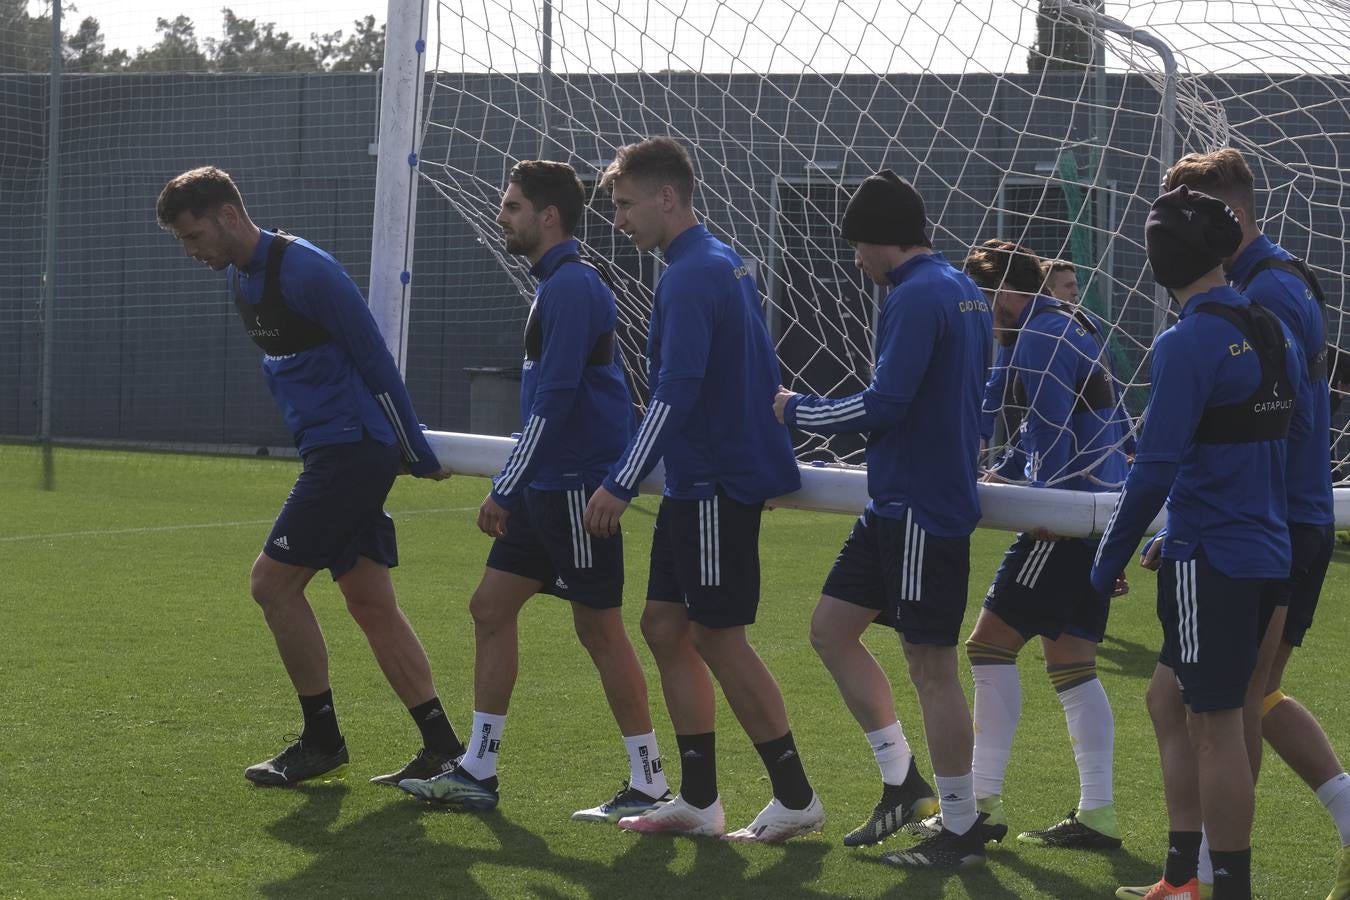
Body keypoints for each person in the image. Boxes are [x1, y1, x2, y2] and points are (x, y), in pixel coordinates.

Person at [156, 166, 465, 787]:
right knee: (370, 602)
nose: (190, 253)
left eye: (193, 237)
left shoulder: (307, 269)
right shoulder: (241, 280)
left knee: (271, 585)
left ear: (226, 216)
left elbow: (374, 358)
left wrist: (414, 449)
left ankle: (322, 740)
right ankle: (444, 748)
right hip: (331, 450)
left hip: (352, 453)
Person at [397, 160, 670, 820]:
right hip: (546, 488)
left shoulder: (574, 286)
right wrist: (521, 489)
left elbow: (556, 398)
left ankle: (651, 780)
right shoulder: (554, 285)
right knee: (490, 608)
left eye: (513, 206)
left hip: (576, 492)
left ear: (549, 216)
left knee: (600, 633)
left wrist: (505, 486)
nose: (502, 216)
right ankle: (479, 770)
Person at [581, 137, 823, 842]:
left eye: (625, 205)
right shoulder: (713, 260)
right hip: (697, 482)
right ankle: (699, 799)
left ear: (667, 197)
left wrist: (620, 481)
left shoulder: (693, 274)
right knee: (663, 626)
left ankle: (795, 795)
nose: (619, 220)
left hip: (714, 483)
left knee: (718, 637)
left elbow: (675, 392)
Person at [1132, 148, 1349, 900]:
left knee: (1228, 706)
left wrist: (1229, 513)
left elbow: (1279, 422)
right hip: (1254, 518)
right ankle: (1195, 872)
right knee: (1194, 699)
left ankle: (1218, 878)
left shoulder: (1269, 289)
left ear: (1224, 212)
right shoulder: (1258, 281)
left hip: (1275, 522)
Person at [1091, 184, 1306, 900]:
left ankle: (1225, 889)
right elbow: (1277, 442)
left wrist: (1105, 561)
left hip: (1212, 559)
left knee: (1213, 725)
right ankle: (1183, 875)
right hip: (1267, 552)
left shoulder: (1187, 342)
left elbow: (1152, 471)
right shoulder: (1265, 323)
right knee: (1167, 701)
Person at [773, 170, 993, 866]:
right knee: (831, 630)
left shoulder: (916, 294)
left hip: (922, 510)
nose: (856, 261)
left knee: (932, 668)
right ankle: (903, 779)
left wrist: (795, 410)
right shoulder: (962, 289)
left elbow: (883, 403)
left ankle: (959, 826)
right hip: (897, 506)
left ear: (880, 241)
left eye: (857, 247)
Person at [926, 239, 1129, 851]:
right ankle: (1099, 813)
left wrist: (1042, 499)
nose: (983, 312)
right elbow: (1055, 432)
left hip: (1063, 517)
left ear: (1008, 293)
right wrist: (1010, 471)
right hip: (1098, 510)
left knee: (987, 647)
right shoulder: (1061, 326)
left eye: (985, 300)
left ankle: (981, 798)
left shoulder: (1041, 334)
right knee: (1072, 661)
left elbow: (1053, 435)